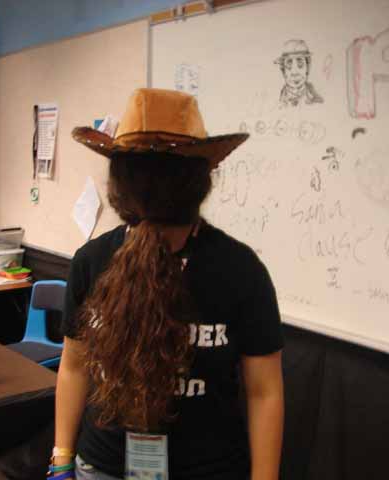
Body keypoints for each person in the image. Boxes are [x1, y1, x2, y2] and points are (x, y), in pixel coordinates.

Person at [50, 88, 284, 480]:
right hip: (103, 466)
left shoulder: (239, 270)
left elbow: (265, 392)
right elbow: (74, 367)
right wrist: (60, 459)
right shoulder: (92, 262)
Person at [275, 39, 324, 108]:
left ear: (307, 68)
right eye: (289, 64)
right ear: (283, 70)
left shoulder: (317, 101)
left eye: (300, 64)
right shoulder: (276, 102)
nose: (294, 72)